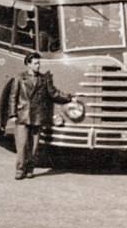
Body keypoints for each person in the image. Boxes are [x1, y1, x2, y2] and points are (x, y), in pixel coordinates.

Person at [5, 52, 75, 180]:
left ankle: (30, 169)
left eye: (39, 63)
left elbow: (54, 94)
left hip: (37, 116)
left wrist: (70, 98)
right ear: (29, 64)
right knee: (22, 145)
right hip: (23, 116)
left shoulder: (44, 79)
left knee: (34, 146)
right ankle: (20, 170)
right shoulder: (19, 78)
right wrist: (13, 114)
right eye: (36, 63)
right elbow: (13, 97)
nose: (38, 66)